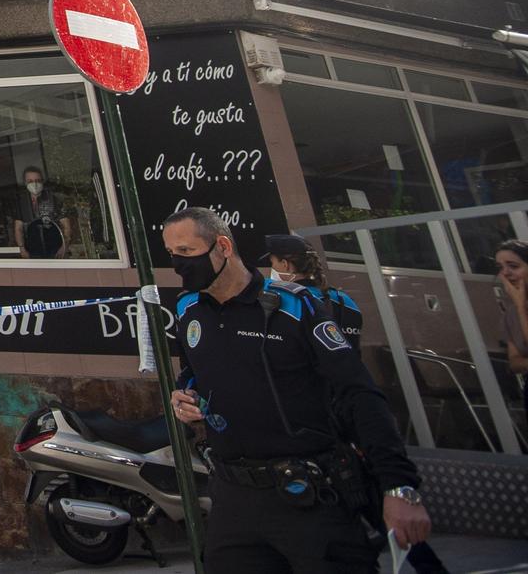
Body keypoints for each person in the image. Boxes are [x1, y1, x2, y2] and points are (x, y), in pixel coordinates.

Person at [166, 208, 429, 573]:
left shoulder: (295, 305)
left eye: (186, 252)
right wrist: (184, 396)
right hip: (233, 498)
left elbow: (359, 393)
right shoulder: (188, 309)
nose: (178, 264)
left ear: (222, 246)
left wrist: (398, 485)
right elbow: (192, 375)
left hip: (309, 495)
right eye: (172, 255)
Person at [265, 235, 448, 574]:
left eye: (272, 263)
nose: (270, 270)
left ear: (285, 265)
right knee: (375, 504)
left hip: (322, 420)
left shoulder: (283, 302)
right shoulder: (343, 301)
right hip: (356, 416)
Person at [13, 166, 71, 259]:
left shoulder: (54, 200)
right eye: (30, 181)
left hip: (55, 249)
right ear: (25, 183)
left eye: (38, 180)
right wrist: (22, 248)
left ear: (42, 181)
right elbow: (18, 228)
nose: (35, 184)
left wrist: (64, 245)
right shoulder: (22, 204)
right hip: (32, 251)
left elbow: (66, 225)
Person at [497, 240, 528, 409]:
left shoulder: (517, 308)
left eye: (513, 266)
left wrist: (521, 307)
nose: (505, 274)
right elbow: (514, 362)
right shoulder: (511, 312)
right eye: (501, 268)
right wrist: (519, 306)